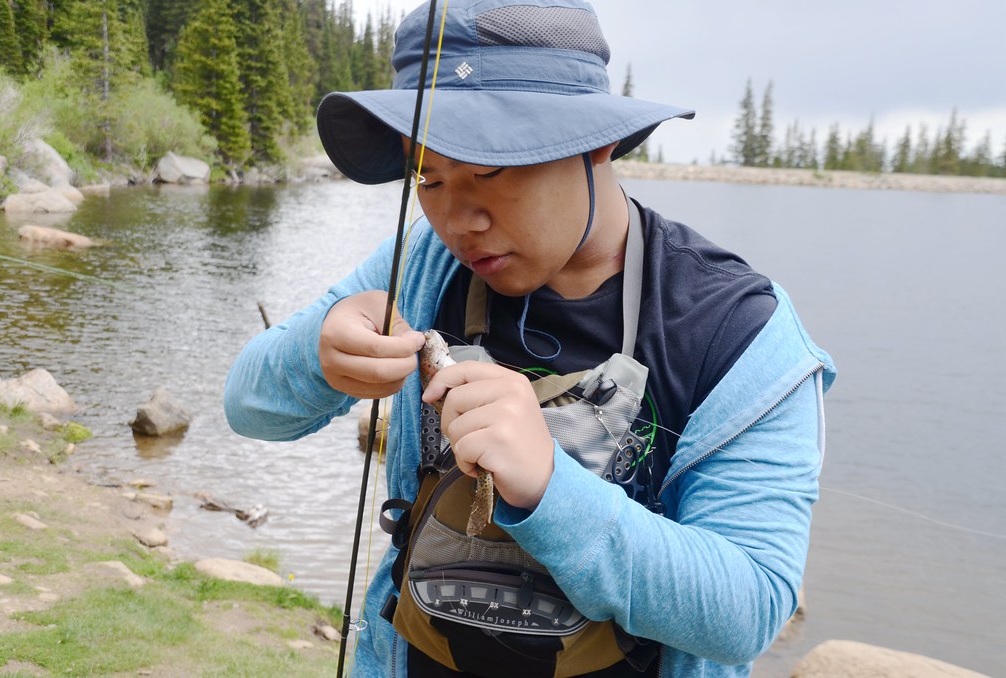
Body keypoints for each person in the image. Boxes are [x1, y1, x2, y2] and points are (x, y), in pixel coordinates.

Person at [224, 1, 836, 676]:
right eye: (427, 176)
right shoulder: (426, 263)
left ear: (596, 143)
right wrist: (320, 354)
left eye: (490, 170)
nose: (459, 218)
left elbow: (747, 612)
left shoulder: (739, 331)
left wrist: (548, 485)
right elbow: (248, 407)